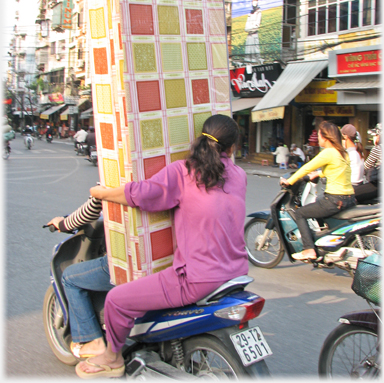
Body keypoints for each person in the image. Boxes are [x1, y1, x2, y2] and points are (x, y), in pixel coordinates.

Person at [75, 114, 249, 378]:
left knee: (116, 300)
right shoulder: (240, 176)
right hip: (237, 273)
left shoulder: (186, 172)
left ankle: (112, 357)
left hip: (197, 279)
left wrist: (101, 193)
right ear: (232, 147)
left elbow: (141, 193)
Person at [47, 196, 114, 359]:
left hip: (127, 264)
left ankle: (91, 340)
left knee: (70, 278)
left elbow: (92, 207)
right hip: (166, 261)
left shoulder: (115, 174)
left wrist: (63, 223)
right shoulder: (165, 173)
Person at [280, 121, 356, 261]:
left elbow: (306, 168)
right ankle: (323, 242)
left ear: (326, 137)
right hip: (349, 198)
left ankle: (308, 249)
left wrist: (289, 181)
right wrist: (320, 174)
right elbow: (339, 171)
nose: (318, 139)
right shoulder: (342, 153)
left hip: (334, 199)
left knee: (300, 213)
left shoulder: (328, 152)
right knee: (318, 201)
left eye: (319, 135)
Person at [354, 124, 381, 204]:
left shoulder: (378, 148)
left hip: (377, 185)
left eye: (376, 135)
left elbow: (366, 166)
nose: (374, 137)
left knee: (352, 195)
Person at [244, 0, 262, 64]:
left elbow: (256, 26)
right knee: (247, 55)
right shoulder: (250, 14)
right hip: (249, 36)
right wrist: (250, 28)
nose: (255, 1)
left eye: (256, 0)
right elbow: (246, 28)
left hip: (254, 36)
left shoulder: (259, 12)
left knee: (255, 55)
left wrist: (250, 29)